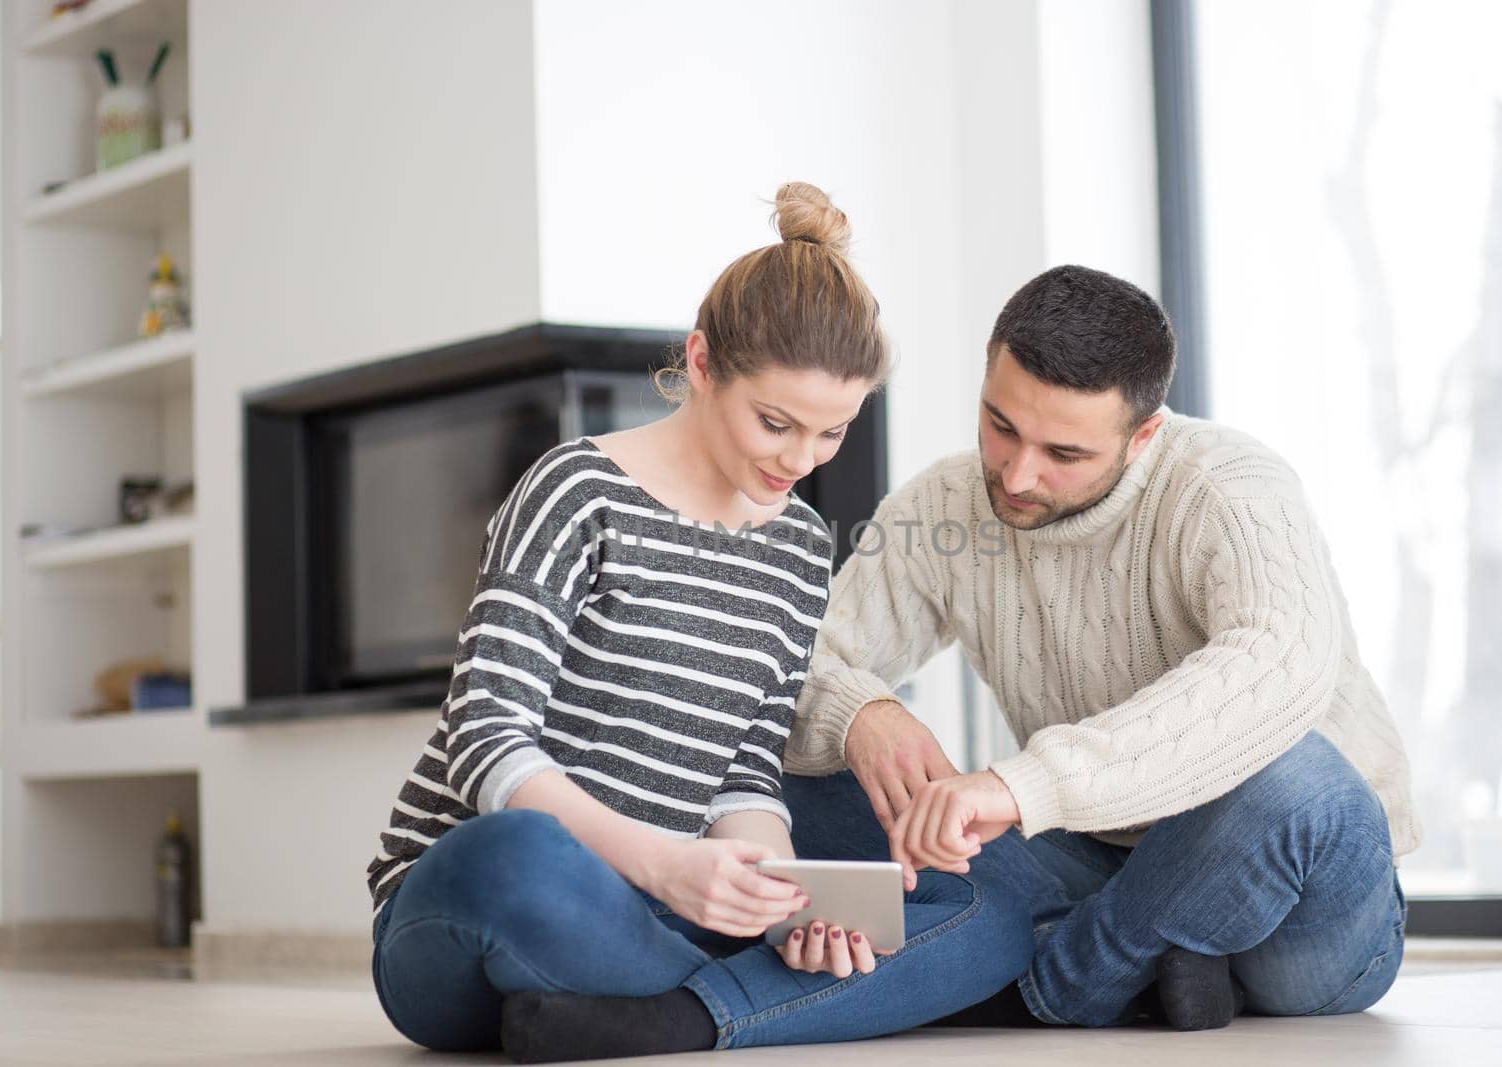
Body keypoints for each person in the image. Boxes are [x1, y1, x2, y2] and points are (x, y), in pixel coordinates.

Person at [365, 183, 1033, 1062]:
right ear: (703, 362)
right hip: (484, 903)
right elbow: (485, 737)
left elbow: (746, 773)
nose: (799, 460)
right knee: (515, 854)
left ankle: (664, 1006)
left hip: (661, 906)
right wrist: (670, 870)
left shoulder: (797, 546)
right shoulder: (576, 490)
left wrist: (782, 897)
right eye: (775, 422)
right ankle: (743, 1000)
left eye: (832, 432)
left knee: (989, 910)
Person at [783, 263, 1420, 1030]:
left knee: (1301, 776)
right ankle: (1145, 961)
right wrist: (860, 712)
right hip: (1088, 862)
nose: (1018, 474)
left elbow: (1277, 667)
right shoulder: (945, 503)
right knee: (792, 767)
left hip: (1288, 896)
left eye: (1065, 454)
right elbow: (790, 664)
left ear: (1143, 434)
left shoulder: (1230, 485)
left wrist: (1021, 787)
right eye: (1001, 425)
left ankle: (1047, 984)